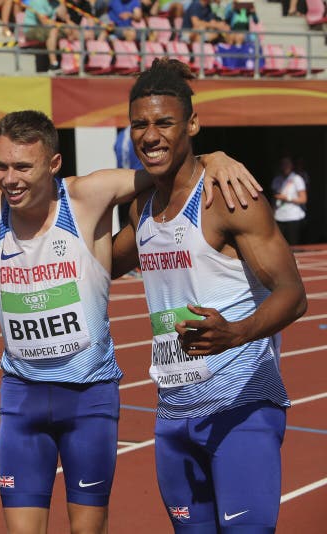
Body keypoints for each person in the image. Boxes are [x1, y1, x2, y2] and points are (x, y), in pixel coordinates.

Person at [0, 109, 259, 534]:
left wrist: (214, 157)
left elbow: (173, 171)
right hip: (22, 397)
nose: (9, 179)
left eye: (22, 167)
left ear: (53, 164)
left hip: (88, 397)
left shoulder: (89, 195)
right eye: (1, 166)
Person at [112, 58, 307, 532]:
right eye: (140, 124)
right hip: (174, 412)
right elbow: (93, 268)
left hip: (241, 407)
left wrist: (236, 332)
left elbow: (293, 295)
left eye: (164, 122)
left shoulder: (229, 198)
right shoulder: (142, 209)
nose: (150, 135)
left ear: (192, 124)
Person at [271, 156, 308, 246]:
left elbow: (303, 199)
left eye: (287, 163)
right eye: (283, 164)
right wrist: (272, 212)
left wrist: (287, 198)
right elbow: (274, 198)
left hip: (293, 216)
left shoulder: (297, 179)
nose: (285, 166)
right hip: (279, 216)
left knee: (293, 246)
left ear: (292, 165)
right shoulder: (277, 180)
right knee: (280, 245)